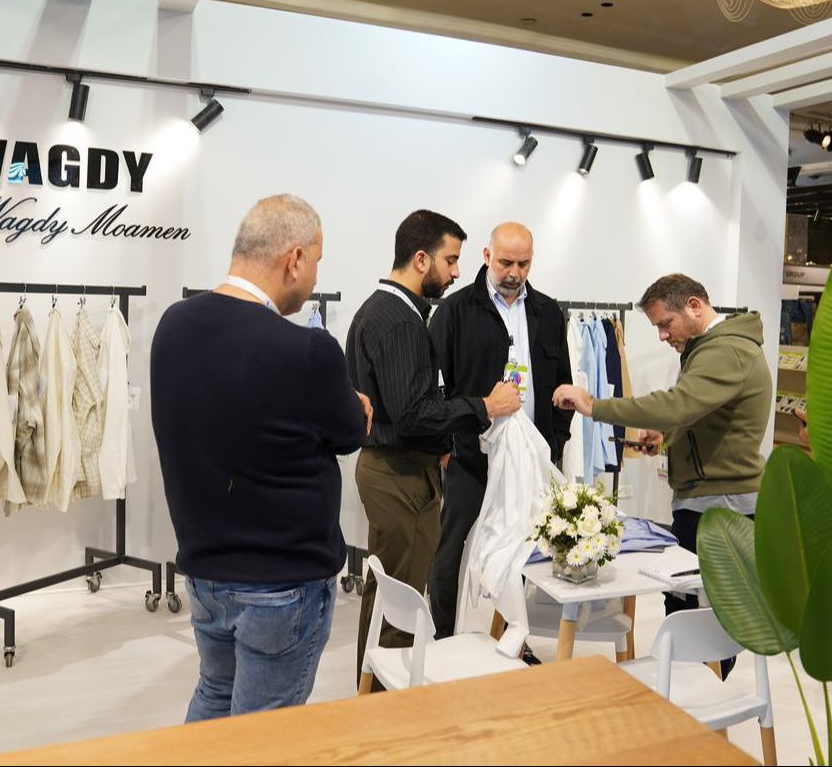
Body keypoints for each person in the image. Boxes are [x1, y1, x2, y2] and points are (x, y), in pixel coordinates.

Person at [150, 194, 372, 722]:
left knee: (214, 695)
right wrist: (357, 407)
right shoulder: (308, 351)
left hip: (205, 571)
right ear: (294, 259)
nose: (315, 279)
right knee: (264, 731)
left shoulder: (172, 326)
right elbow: (347, 432)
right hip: (283, 580)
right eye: (316, 263)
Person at [552, 273, 771, 679]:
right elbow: (704, 414)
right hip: (707, 500)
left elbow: (679, 405)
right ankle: (690, 697)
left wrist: (596, 405)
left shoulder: (725, 351)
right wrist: (668, 437)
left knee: (704, 615)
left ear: (694, 305)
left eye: (664, 324)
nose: (661, 336)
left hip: (720, 506)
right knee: (686, 605)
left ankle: (697, 702)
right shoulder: (711, 348)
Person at [346, 209, 521, 676]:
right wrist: (485, 406)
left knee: (387, 593)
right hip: (401, 475)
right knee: (401, 602)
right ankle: (389, 707)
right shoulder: (400, 320)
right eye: (451, 259)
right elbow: (414, 413)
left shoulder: (380, 311)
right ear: (421, 259)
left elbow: (404, 404)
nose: (458, 272)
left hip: (396, 468)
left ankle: (372, 690)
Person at [427, 222, 573, 641]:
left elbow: (561, 386)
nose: (514, 272)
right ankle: (443, 640)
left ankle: (514, 639)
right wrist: (446, 447)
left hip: (531, 457)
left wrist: (556, 443)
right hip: (471, 459)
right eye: (506, 262)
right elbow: (434, 388)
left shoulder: (548, 312)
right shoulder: (454, 312)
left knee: (528, 555)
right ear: (487, 256)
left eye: (523, 263)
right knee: (451, 554)